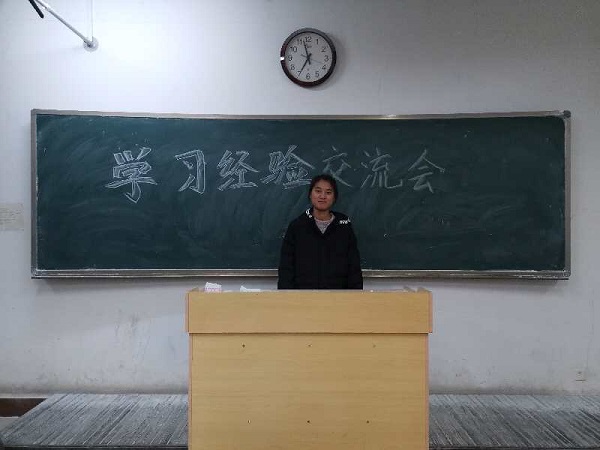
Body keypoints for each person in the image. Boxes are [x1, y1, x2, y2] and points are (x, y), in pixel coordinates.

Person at [278, 174, 363, 289]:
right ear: (310, 194)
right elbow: (286, 268)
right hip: (303, 295)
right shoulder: (297, 226)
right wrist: (286, 296)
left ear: (334, 197)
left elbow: (354, 268)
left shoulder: (344, 226)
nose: (322, 196)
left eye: (328, 192)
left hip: (338, 296)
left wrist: (356, 295)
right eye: (318, 191)